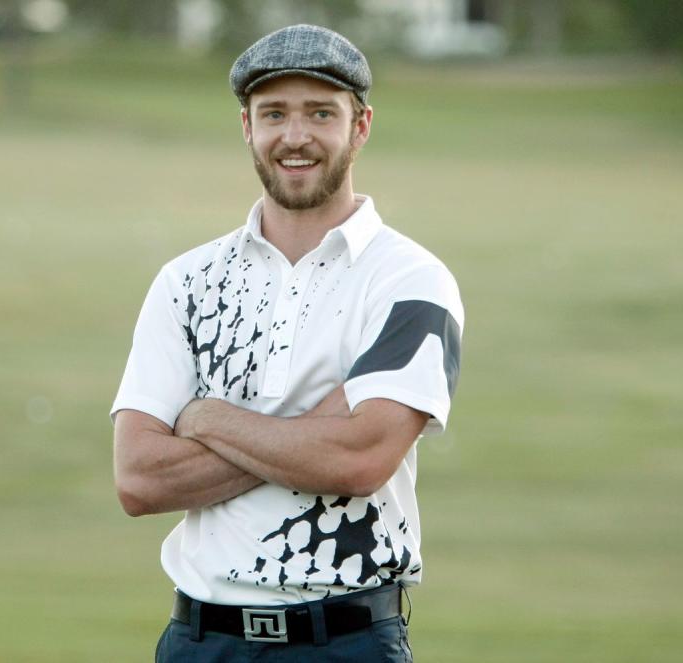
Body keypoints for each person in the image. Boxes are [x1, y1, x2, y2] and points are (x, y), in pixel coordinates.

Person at [111, 24, 464, 662]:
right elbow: (139, 478)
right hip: (199, 643)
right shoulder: (186, 282)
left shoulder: (410, 281)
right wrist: (314, 429)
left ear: (360, 127)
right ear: (246, 126)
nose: (294, 137)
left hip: (346, 642)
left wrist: (207, 417)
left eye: (320, 114)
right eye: (273, 113)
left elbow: (359, 461)